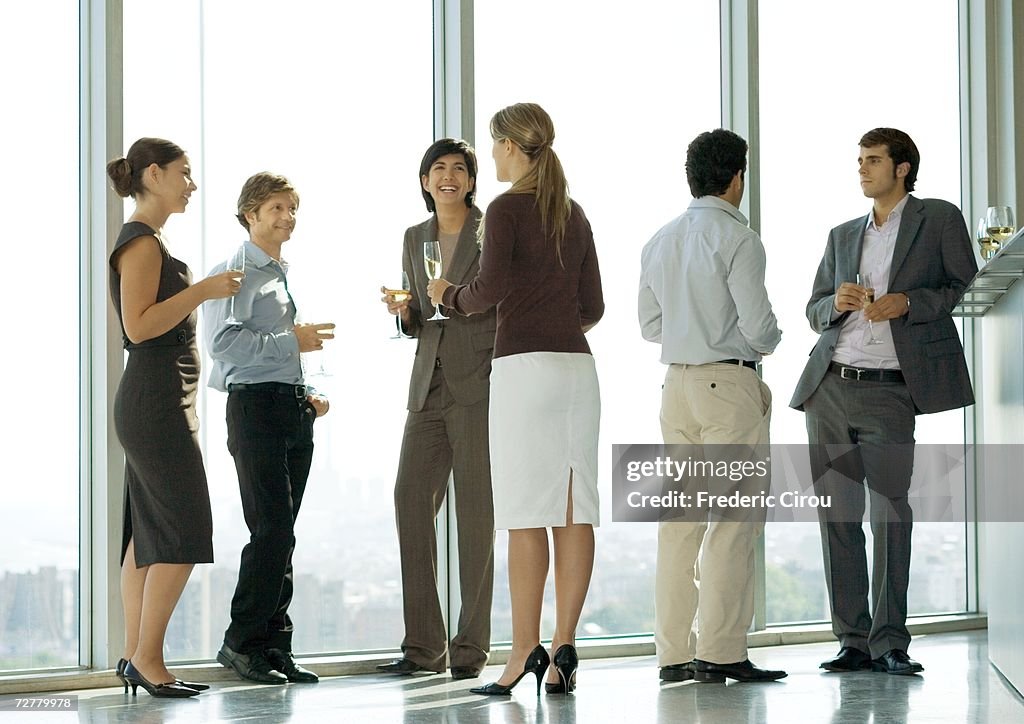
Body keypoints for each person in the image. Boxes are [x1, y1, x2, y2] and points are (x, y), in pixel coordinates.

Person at [428, 102, 604, 697]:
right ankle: (564, 648)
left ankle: (522, 652)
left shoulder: (504, 209)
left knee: (527, 512)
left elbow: (490, 290)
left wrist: (448, 293)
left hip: (524, 371)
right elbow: (593, 308)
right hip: (576, 370)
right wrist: (553, 318)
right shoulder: (572, 212)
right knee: (575, 508)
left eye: (495, 144)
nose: (494, 154)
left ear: (509, 145)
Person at [790, 128, 977, 676]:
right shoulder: (842, 234)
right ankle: (851, 639)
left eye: (873, 161)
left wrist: (908, 302)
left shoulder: (938, 218)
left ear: (902, 168)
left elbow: (962, 283)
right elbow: (812, 307)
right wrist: (835, 304)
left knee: (891, 514)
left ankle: (889, 641)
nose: (862, 169)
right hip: (829, 384)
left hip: (891, 389)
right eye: (859, 161)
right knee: (838, 517)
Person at [638, 128, 787, 683]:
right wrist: (764, 339)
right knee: (731, 523)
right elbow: (761, 330)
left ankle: (672, 655)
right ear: (737, 178)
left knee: (679, 524)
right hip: (728, 387)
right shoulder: (740, 240)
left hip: (675, 387)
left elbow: (650, 326)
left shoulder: (660, 239)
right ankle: (721, 652)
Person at [106, 138, 241, 697]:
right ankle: (147, 658)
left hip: (159, 400)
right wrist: (204, 291)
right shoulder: (141, 242)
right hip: (155, 402)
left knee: (150, 535)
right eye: (185, 173)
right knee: (184, 529)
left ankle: (136, 655)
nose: (192, 183)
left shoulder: (150, 240)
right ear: (154, 174)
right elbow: (138, 326)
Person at [204, 172, 335, 685]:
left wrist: (307, 393)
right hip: (255, 409)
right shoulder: (235, 272)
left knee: (284, 535)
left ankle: (275, 646)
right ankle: (241, 643)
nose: (287, 217)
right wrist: (292, 341)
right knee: (272, 529)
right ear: (250, 214)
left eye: (291, 209)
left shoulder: (277, 273)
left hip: (288, 407)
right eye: (276, 208)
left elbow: (275, 348)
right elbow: (223, 344)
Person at [376, 139, 496, 680]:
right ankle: (424, 648)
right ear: (425, 181)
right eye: (438, 169)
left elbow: (495, 301)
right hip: (427, 384)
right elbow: (420, 316)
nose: (448, 176)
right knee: (409, 499)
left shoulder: (491, 231)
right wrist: (403, 311)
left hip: (479, 382)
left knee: (475, 516)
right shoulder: (414, 237)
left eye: (459, 169)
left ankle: (470, 651)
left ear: (471, 180)